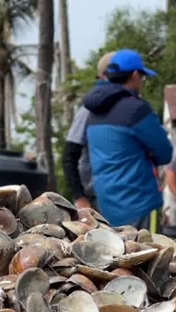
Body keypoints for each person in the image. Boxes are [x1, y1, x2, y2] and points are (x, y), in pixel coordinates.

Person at [81, 49, 173, 230]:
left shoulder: (93, 112)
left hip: (106, 206)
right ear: (135, 74)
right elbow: (165, 153)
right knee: (149, 254)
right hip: (140, 204)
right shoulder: (137, 109)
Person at [62, 52, 115, 211]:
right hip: (95, 199)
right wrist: (79, 198)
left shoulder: (131, 107)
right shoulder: (89, 109)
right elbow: (69, 156)